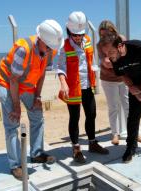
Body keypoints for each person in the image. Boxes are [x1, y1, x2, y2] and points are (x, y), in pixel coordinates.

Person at [0, 19, 64, 180]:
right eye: (47, 47)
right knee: (12, 122)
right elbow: (13, 79)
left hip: (26, 85)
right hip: (8, 83)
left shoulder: (50, 50)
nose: (49, 51)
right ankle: (16, 165)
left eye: (51, 48)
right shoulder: (23, 49)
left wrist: (37, 97)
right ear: (40, 39)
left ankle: (36, 154)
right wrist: (16, 106)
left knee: (37, 115)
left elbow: (41, 74)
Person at [57, 11, 109, 163]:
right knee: (75, 117)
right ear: (69, 32)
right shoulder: (64, 46)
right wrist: (63, 82)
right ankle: (76, 147)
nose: (78, 37)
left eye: (80, 34)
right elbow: (60, 67)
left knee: (91, 114)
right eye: (75, 35)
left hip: (87, 85)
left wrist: (96, 69)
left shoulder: (87, 40)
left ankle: (92, 143)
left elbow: (90, 61)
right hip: (73, 87)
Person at [97, 20, 141, 145]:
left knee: (128, 106)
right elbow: (106, 63)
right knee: (113, 107)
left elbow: (125, 57)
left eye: (108, 34)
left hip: (124, 78)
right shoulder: (100, 44)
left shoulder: (121, 39)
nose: (105, 38)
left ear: (113, 31)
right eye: (102, 35)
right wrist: (116, 60)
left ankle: (134, 132)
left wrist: (115, 60)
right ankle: (115, 134)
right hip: (108, 80)